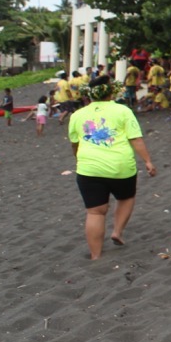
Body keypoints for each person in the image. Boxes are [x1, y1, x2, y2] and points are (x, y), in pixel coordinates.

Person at [67, 75, 156, 260]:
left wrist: (79, 159)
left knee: (95, 212)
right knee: (126, 197)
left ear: (88, 94)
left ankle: (95, 255)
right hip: (120, 166)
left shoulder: (77, 115)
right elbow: (136, 139)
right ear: (111, 92)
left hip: (88, 169)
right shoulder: (122, 111)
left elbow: (75, 144)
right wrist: (147, 161)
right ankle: (117, 231)